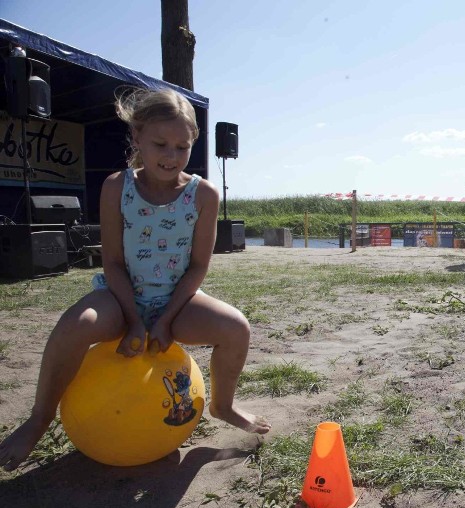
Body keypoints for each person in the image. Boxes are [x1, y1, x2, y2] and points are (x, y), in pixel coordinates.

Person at [0, 88, 270, 472]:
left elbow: (197, 267)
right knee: (75, 324)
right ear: (138, 135)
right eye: (160, 143)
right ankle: (39, 418)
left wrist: (162, 321)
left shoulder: (204, 195)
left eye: (182, 147)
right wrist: (133, 319)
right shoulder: (116, 187)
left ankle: (222, 405)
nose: (171, 156)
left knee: (237, 328)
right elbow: (112, 262)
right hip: (119, 296)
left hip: (178, 303)